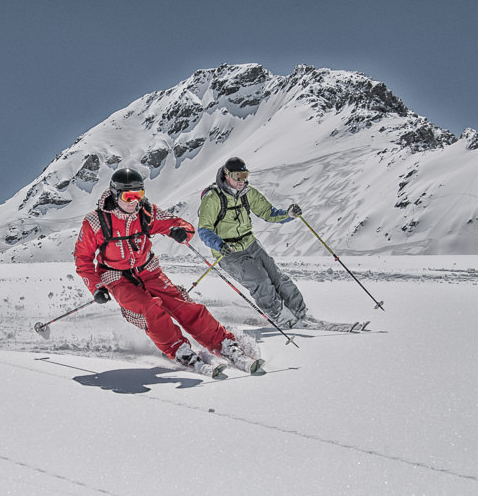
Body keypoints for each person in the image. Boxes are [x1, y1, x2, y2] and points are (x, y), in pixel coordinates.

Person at [74, 168, 263, 375]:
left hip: (149, 270)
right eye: (128, 196)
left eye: (139, 195)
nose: (133, 201)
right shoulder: (96, 222)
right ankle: (178, 349)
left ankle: (223, 343)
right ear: (115, 194)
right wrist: (96, 287)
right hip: (116, 277)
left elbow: (179, 224)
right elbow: (83, 259)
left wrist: (180, 231)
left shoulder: (146, 211)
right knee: (149, 308)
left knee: (182, 305)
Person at [197, 156, 308, 329]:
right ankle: (279, 316)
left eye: (245, 175)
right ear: (227, 175)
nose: (241, 180)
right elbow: (204, 229)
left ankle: (299, 313)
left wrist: (288, 215)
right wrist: (219, 245)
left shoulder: (248, 194)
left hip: (250, 243)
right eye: (237, 176)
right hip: (229, 252)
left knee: (278, 277)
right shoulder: (213, 198)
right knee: (261, 281)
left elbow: (268, 212)